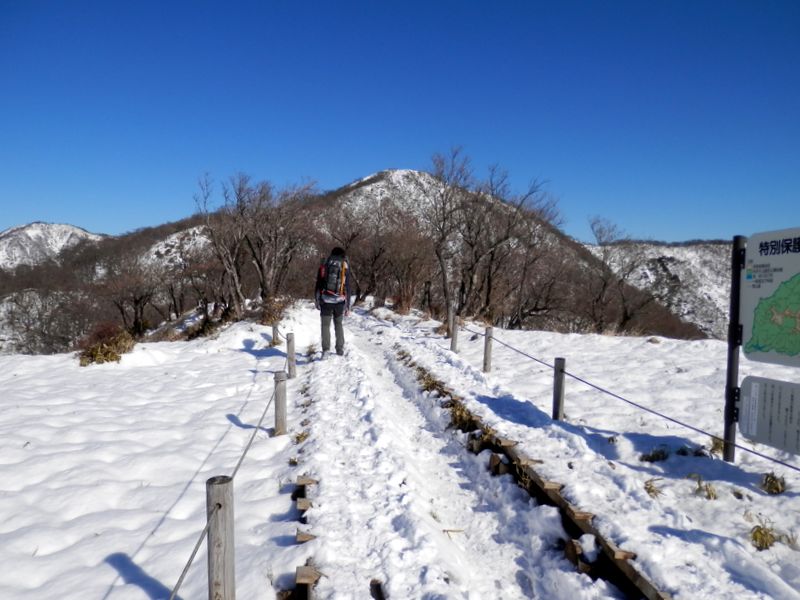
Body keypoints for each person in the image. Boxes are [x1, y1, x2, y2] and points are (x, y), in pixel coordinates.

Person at [314, 246, 352, 356]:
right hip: (340, 301)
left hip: (325, 300)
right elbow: (348, 286)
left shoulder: (325, 263)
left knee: (325, 326)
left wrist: (317, 299)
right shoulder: (345, 265)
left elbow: (319, 283)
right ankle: (339, 349)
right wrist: (348, 305)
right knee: (338, 324)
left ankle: (326, 350)